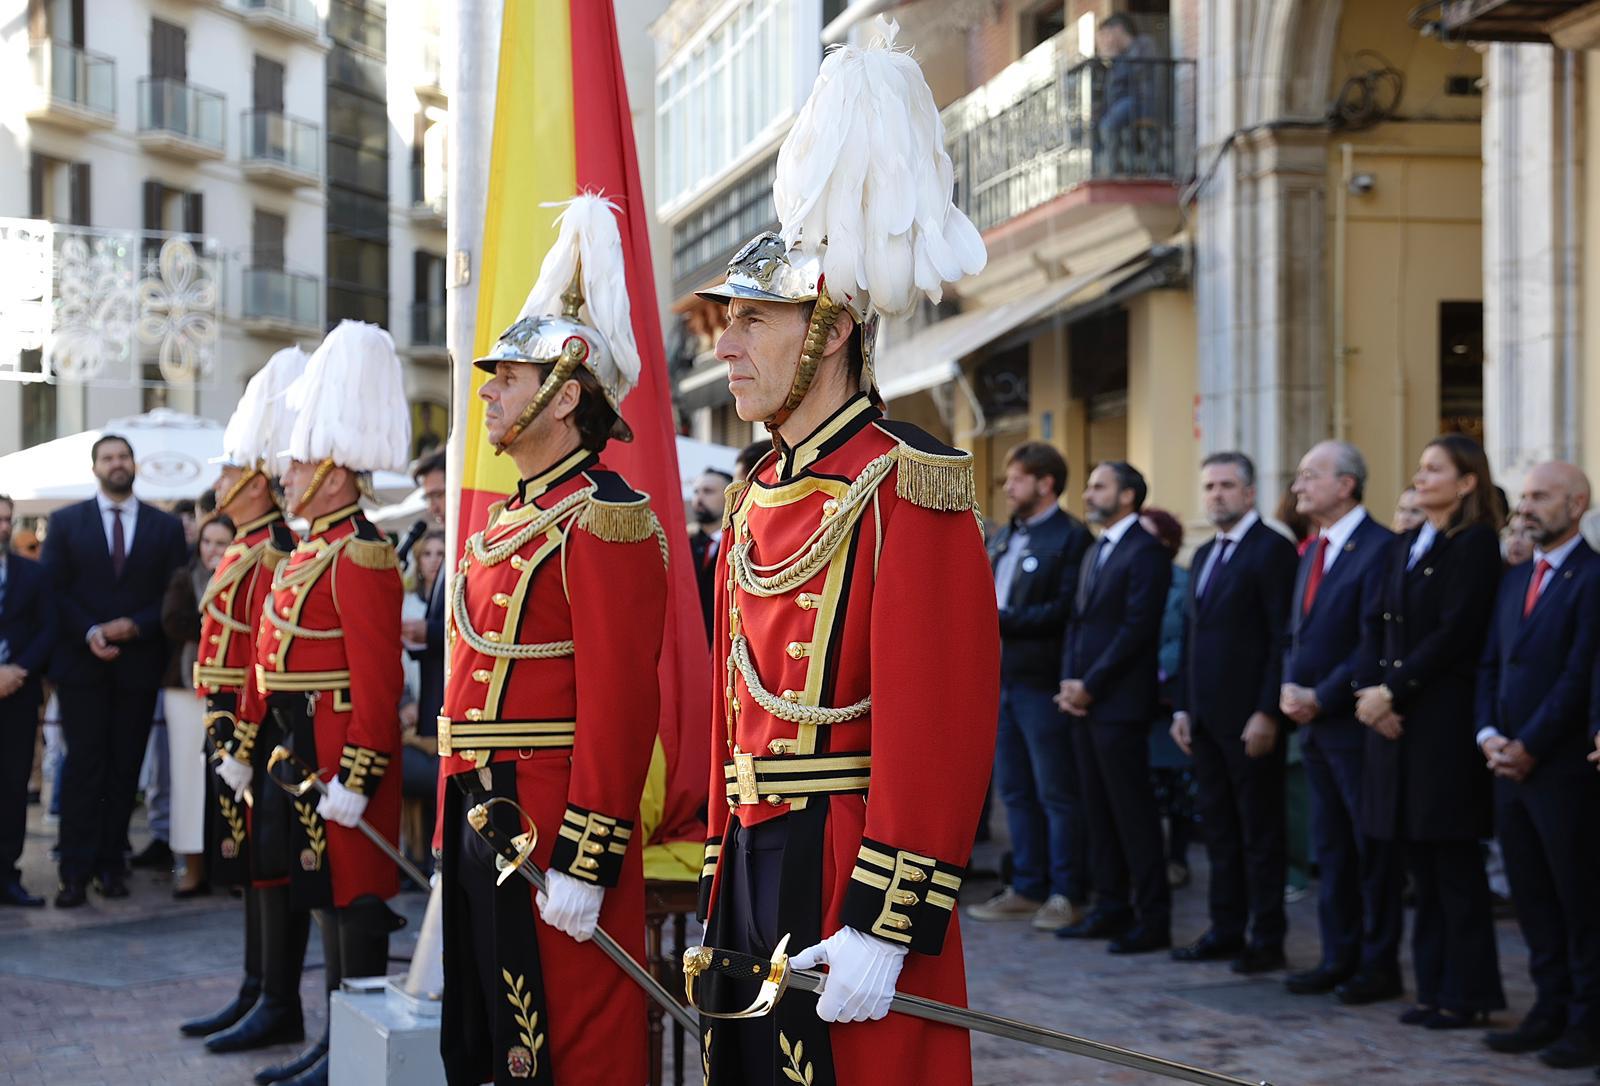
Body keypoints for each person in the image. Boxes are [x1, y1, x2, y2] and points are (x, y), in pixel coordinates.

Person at [693, 24, 996, 1083]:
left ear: (825, 330)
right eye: (721, 323)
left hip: (845, 856)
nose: (724, 345)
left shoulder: (906, 474)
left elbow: (941, 722)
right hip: (749, 845)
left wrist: (887, 917)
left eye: (749, 321)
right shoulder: (755, 487)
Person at [436, 195, 668, 1086]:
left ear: (566, 397)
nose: (489, 392)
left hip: (552, 822)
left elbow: (621, 702)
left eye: (509, 379)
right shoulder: (507, 520)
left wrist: (590, 852)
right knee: (487, 1029)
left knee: (567, 1042)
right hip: (481, 804)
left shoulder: (606, 517)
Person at [234, 321, 409, 1086]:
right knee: (319, 893)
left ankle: (353, 1047)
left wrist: (363, 777)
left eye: (303, 457)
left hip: (341, 750)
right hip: (298, 743)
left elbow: (378, 681)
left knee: (352, 896)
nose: (289, 468)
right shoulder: (313, 547)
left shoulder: (361, 551)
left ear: (337, 471)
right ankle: (331, 1041)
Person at [1354, 433, 1506, 1028]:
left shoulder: (1474, 547)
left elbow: (1456, 632)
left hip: (1441, 722)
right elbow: (1375, 624)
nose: (1421, 477)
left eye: (1433, 469)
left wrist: (1394, 690)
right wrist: (1371, 695)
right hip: (1393, 724)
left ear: (1466, 482)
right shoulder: (1406, 544)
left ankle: (1468, 994)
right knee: (1418, 860)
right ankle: (1433, 989)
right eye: (1418, 468)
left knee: (1452, 863)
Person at [186, 345, 311, 1066]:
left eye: (235, 473)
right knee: (250, 865)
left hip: (258, 731)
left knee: (271, 863)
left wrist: (244, 740)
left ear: (262, 486)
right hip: (229, 723)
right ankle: (255, 985)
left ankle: (276, 998)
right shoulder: (245, 546)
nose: (224, 483)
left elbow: (268, 656)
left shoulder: (270, 552)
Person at [1477, 462, 1600, 1068]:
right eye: (1524, 495)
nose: (1527, 506)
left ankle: (1586, 1020)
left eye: (1542, 496)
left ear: (1577, 505)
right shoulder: (1515, 577)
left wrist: (1530, 743)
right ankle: (1548, 1007)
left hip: (1561, 769)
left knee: (1577, 899)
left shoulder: (1593, 576)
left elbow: (1581, 675)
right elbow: (1491, 664)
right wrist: (1490, 734)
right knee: (1530, 897)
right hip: (1507, 765)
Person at [41, 434, 187, 907]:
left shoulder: (164, 528)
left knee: (125, 771)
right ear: (95, 467)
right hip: (82, 666)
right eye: (108, 458)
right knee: (83, 768)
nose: (117, 464)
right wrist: (90, 631)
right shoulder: (65, 523)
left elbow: (173, 595)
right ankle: (74, 871)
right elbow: (53, 591)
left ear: (134, 465)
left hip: (138, 667)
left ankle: (111, 863)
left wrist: (135, 626)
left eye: (123, 456)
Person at [1169, 452, 1297, 974]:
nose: (1216, 494)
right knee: (1218, 831)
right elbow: (1191, 638)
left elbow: (1280, 639)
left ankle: (1267, 937)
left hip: (1251, 721)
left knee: (1259, 832)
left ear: (1249, 494)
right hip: (1203, 719)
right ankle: (1225, 928)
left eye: (1226, 485)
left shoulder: (1272, 551)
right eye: (1209, 485)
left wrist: (1268, 711)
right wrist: (1181, 706)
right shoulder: (1203, 555)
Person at [1278, 441, 1396, 998]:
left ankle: (1377, 963)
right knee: (1330, 847)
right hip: (1315, 723)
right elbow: (1297, 634)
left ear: (1346, 484)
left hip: (1355, 721)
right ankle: (1337, 955)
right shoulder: (1311, 550)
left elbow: (1370, 641)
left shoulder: (1380, 548)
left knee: (1368, 846)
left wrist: (1321, 695)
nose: (1298, 486)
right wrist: (1288, 687)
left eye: (1309, 476)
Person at [969, 441, 1091, 931]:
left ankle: (1067, 891)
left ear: (1045, 483)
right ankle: (1027, 884)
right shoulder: (1005, 537)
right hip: (1002, 680)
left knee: (1055, 791)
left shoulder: (1070, 538)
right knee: (1015, 791)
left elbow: (1067, 611)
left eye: (1016, 479)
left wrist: (1002, 619)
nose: (1008, 487)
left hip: (1042, 681)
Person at [1055, 461, 1172, 954]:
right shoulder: (1097, 549)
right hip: (1082, 701)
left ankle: (1152, 918)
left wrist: (1092, 685)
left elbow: (1136, 630)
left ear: (1127, 496)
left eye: (1098, 485)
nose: (1087, 493)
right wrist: (1068, 680)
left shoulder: (1147, 551)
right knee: (1096, 811)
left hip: (1119, 703)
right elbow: (1079, 623)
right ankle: (1109, 907)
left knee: (1132, 814)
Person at [160, 512, 235, 898]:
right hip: (186, 690)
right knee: (188, 780)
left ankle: (233, 863)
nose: (212, 550)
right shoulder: (183, 578)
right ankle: (192, 866)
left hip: (234, 688)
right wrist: (218, 622)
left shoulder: (244, 578)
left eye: (221, 543)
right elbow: (173, 621)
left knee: (233, 776)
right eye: (207, 542)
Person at [0, 494, 56, 907]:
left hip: (18, 694)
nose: (2, 527)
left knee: (13, 786)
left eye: (6, 520)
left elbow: (47, 629)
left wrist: (17, 671)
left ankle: (7, 874)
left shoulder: (32, 574)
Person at [1140, 506, 1194, 889]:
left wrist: (1155, 670)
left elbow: (1185, 636)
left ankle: (1177, 858)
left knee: (1176, 785)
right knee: (1144, 785)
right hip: (1132, 696)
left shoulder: (1182, 581)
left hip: (1166, 695)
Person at [1095, 13, 1161, 170]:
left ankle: (1112, 168)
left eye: (1106, 34)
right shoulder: (1121, 56)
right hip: (1122, 103)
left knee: (1108, 124)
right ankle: (1103, 165)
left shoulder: (1144, 44)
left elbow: (1135, 74)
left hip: (1140, 100)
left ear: (1118, 29)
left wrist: (1114, 60)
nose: (1105, 40)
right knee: (1093, 124)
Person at [688, 467, 732, 643]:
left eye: (708, 491)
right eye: (696, 491)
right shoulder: (684, 543)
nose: (699, 498)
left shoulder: (739, 545)